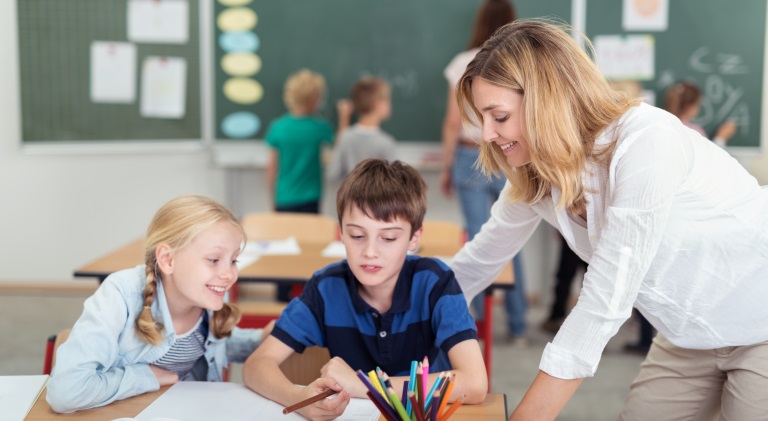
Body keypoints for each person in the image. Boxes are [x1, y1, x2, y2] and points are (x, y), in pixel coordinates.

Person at [450, 20, 768, 420]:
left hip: (760, 317)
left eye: (499, 116)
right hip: (689, 334)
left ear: (546, 101)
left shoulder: (646, 142)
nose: (487, 135)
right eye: (483, 119)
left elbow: (606, 300)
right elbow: (477, 263)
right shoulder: (535, 173)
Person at [243, 159, 487, 420]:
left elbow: (473, 383)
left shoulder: (435, 282)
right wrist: (298, 399)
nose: (370, 252)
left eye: (389, 238)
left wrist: (365, 387)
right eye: (358, 236)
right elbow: (256, 365)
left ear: (414, 238)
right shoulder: (327, 287)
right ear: (341, 234)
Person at [46, 195, 272, 413]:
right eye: (214, 260)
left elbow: (209, 343)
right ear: (167, 260)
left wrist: (259, 341)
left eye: (233, 260)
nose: (228, 274)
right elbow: (66, 393)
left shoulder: (210, 293)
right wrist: (145, 377)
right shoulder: (120, 295)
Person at [440, 0, 528, 345]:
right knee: (512, 239)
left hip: (470, 154)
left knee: (480, 240)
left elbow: (451, 122)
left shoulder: (462, 63)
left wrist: (448, 165)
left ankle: (469, 329)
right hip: (511, 152)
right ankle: (518, 325)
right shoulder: (517, 62)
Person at [266, 69, 348, 302]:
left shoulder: (278, 127)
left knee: (282, 250)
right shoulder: (318, 127)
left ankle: (280, 298)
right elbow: (340, 146)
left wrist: (272, 199)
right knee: (307, 249)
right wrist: (343, 118)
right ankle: (305, 298)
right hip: (310, 198)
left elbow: (272, 167)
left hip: (283, 198)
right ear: (314, 100)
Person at [326, 77, 397, 182]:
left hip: (350, 197)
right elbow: (397, 183)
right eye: (387, 100)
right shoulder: (386, 143)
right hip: (378, 198)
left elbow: (333, 173)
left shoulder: (346, 137)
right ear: (377, 104)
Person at [664, 80, 737, 148]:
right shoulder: (694, 132)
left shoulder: (663, 127)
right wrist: (721, 138)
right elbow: (708, 158)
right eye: (698, 104)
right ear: (689, 106)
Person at [540, 235, 587, 334]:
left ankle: (556, 318)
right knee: (593, 282)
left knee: (565, 277)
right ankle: (592, 327)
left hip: (575, 233)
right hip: (594, 237)